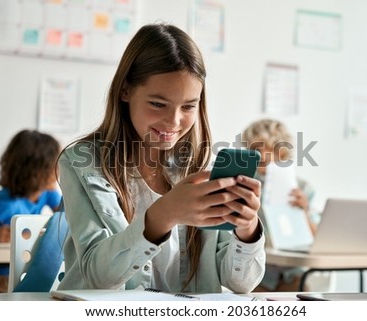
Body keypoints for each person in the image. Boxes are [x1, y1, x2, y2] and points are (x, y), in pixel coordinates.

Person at [57, 23, 266, 293]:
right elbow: (99, 277)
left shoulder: (199, 168)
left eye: (189, 106)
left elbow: (241, 283)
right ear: (125, 90)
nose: (174, 121)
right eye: (158, 104)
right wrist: (164, 214)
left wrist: (247, 229)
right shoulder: (81, 163)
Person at [0, 129, 62, 300]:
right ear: (38, 171)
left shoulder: (47, 194)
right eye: (55, 165)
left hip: (16, 276)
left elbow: (67, 214)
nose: (60, 170)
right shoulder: (5, 204)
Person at [241, 118, 319, 292]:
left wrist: (304, 211)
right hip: (259, 274)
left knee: (302, 295)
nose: (259, 154)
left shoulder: (303, 189)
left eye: (265, 148)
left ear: (281, 152)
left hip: (293, 273)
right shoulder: (246, 185)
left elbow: (317, 241)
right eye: (253, 149)